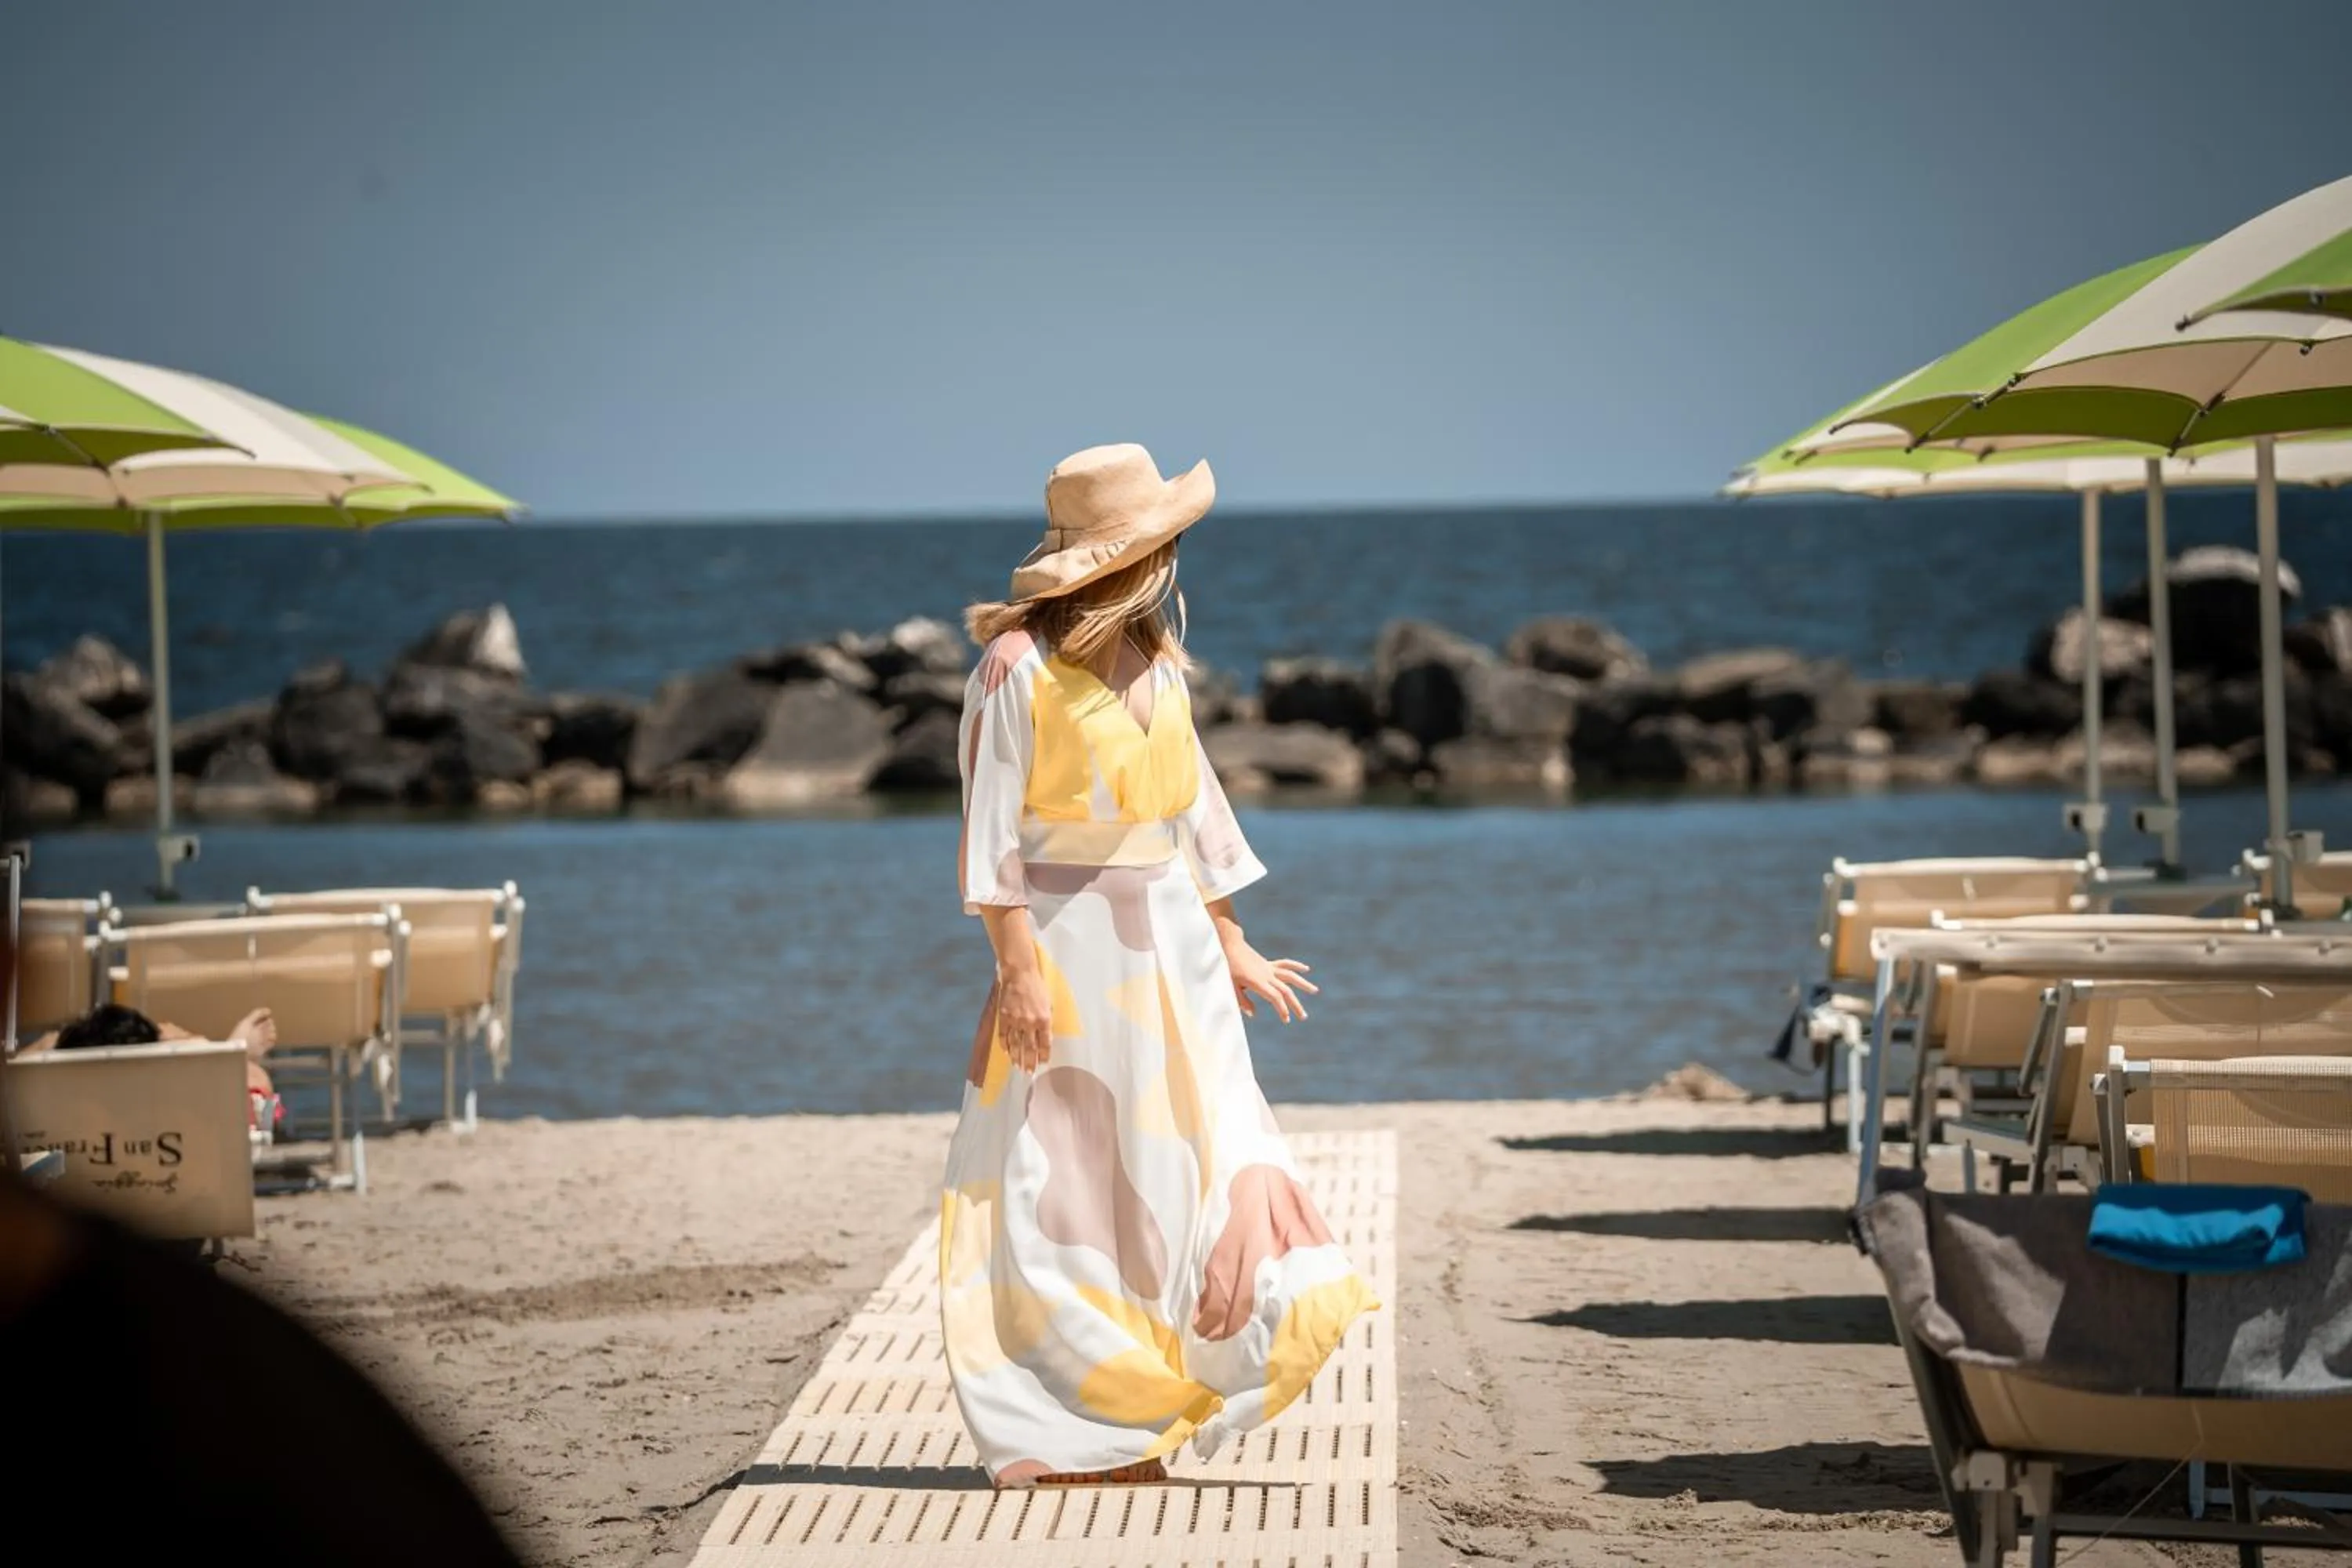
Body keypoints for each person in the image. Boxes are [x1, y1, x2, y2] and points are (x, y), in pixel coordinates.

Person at [940, 443, 1378, 1489]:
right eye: (1165, 542)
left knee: (1207, 1167)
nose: (1176, 558)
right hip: (1069, 952)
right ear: (1134, 557)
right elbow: (991, 837)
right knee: (1070, 1190)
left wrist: (1229, 939)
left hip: (1173, 955)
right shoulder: (1016, 670)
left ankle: (1178, 1388)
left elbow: (1194, 810)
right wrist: (1020, 975)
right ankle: (1074, 1428)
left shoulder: (1161, 665)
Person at [27, 1002, 284, 1133]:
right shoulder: (178, 1115)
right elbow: (264, 1119)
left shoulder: (56, 1112)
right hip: (181, 1215)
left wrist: (52, 1044)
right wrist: (232, 1055)